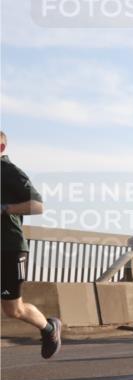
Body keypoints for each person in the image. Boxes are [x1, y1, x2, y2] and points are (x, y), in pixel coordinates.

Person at [1, 132, 62, 358]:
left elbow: (37, 205)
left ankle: (49, 328)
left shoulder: (9, 172)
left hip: (9, 249)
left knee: (13, 310)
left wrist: (6, 209)